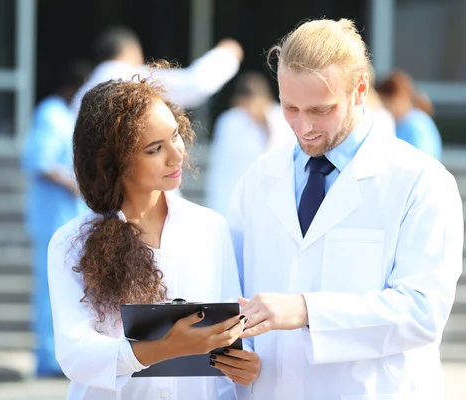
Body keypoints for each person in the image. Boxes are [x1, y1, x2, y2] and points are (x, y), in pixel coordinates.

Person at [227, 19, 463, 399]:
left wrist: (306, 311)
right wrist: (241, 352)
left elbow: (422, 312)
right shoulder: (259, 178)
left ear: (360, 91)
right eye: (289, 107)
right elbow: (231, 291)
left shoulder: (421, 181)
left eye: (321, 110)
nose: (303, 127)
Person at [47, 69, 260, 399]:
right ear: (114, 162)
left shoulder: (210, 228)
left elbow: (229, 340)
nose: (177, 155)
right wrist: (162, 349)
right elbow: (76, 355)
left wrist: (244, 369)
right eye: (154, 149)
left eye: (175, 135)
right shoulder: (71, 241)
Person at [20, 60, 91, 378]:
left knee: (71, 290)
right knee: (51, 290)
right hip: (52, 218)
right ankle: (49, 360)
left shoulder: (70, 116)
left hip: (71, 218)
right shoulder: (51, 113)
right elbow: (40, 161)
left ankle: (64, 356)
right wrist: (78, 184)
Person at [71, 26, 244, 116]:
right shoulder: (133, 78)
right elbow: (196, 84)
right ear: (132, 50)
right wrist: (227, 54)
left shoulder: (80, 96)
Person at [205, 71, 292, 215]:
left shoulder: (280, 117)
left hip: (274, 195)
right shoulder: (231, 121)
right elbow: (221, 165)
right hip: (232, 194)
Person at [376, 69, 443, 160]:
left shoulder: (413, 126)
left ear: (397, 98)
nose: (383, 109)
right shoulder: (409, 122)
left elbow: (419, 162)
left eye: (385, 103)